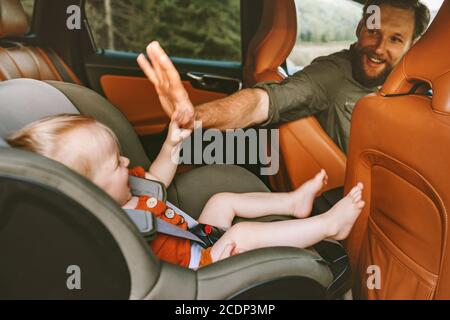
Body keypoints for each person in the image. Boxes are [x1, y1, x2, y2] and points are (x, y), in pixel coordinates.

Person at [6, 114, 365, 269]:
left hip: (194, 235)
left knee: (221, 200)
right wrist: (213, 260)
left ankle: (293, 201)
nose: (127, 161)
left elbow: (156, 182)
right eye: (116, 163)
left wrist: (172, 145)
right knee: (243, 232)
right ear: (89, 193)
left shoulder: (121, 188)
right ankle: (329, 226)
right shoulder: (116, 230)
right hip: (199, 266)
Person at [137, 0, 430, 153]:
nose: (378, 48)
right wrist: (196, 116)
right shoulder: (333, 74)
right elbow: (263, 101)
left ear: (411, 46)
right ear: (359, 29)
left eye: (394, 39)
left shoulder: (419, 90)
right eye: (373, 32)